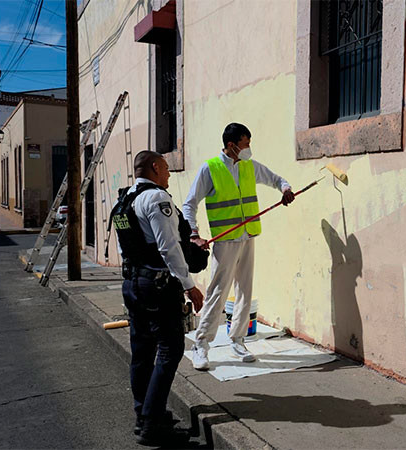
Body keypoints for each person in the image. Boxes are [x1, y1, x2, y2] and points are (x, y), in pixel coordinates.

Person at [111, 150, 205, 446]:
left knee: (142, 352)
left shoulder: (123, 201)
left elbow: (132, 246)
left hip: (134, 284)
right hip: (158, 286)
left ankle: (145, 413)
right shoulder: (158, 199)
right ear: (154, 167)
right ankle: (151, 424)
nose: (168, 174)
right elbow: (167, 249)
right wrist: (189, 285)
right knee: (170, 349)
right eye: (165, 168)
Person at [183, 123, 294, 370]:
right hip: (225, 240)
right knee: (217, 292)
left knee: (245, 289)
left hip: (248, 236)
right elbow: (189, 204)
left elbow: (276, 179)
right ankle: (201, 345)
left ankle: (238, 339)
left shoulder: (249, 167)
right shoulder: (210, 169)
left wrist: (285, 189)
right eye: (246, 144)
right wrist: (193, 234)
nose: (249, 148)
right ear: (232, 146)